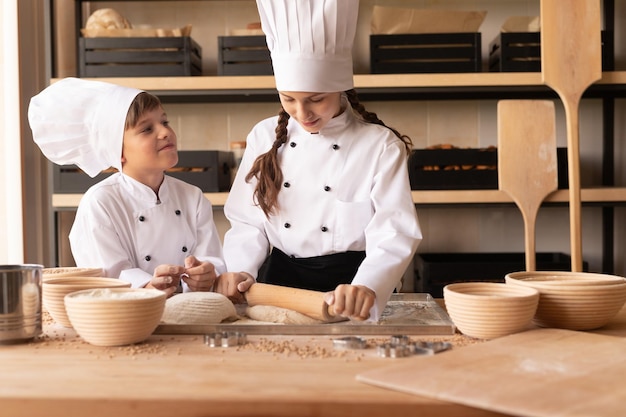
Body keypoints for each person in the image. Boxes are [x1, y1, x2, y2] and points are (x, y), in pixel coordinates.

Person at [220, 0, 422, 321]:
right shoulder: (263, 136)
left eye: (316, 100)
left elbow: (394, 231)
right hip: (277, 290)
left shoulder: (380, 145)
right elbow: (248, 222)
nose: (303, 114)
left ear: (340, 88)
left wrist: (368, 285)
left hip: (350, 290)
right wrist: (240, 269)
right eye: (289, 99)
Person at [28, 77, 226, 297]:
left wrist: (205, 275)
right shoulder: (100, 202)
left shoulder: (192, 197)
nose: (165, 132)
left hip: (192, 312)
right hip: (129, 317)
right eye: (147, 129)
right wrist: (147, 287)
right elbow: (107, 277)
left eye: (165, 121)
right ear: (117, 151)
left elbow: (212, 261)